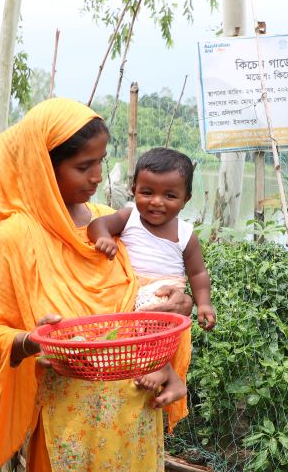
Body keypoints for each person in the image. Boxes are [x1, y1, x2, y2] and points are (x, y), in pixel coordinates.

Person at [0, 99, 193, 472]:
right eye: (84, 166)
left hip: (133, 407)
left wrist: (181, 302)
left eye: (101, 161)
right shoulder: (16, 239)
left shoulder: (108, 223)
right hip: (64, 418)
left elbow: (147, 291)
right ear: (44, 168)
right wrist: (31, 341)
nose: (98, 176)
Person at [86, 148, 214, 401]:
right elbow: (97, 224)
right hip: (130, 286)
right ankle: (167, 376)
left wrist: (204, 304)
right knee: (127, 330)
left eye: (169, 195)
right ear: (134, 189)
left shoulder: (186, 234)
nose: (156, 201)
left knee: (153, 318)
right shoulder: (128, 216)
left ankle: (164, 370)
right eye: (147, 192)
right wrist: (103, 238)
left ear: (186, 198)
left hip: (164, 289)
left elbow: (198, 273)